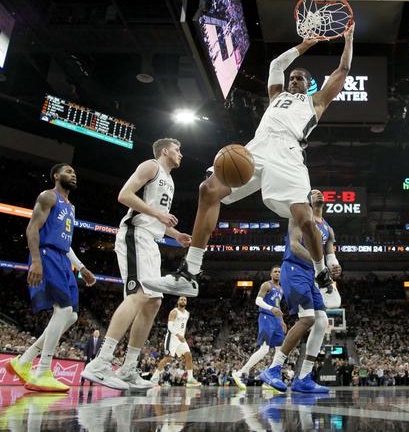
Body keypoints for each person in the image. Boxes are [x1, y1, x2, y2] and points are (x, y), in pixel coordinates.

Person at [140, 25, 355, 299]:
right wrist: (305, 44)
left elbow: (342, 71)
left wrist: (348, 39)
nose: (293, 80)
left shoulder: (316, 102)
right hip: (258, 147)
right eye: (292, 78)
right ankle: (190, 273)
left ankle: (321, 274)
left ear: (308, 84)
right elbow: (277, 64)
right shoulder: (277, 96)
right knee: (208, 190)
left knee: (304, 219)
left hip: (288, 152)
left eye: (299, 78)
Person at [82, 138, 191, 390]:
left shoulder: (170, 180)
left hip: (151, 240)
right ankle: (100, 362)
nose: (181, 154)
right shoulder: (151, 166)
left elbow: (157, 217)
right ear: (165, 150)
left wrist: (176, 235)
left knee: (153, 302)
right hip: (135, 235)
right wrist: (157, 215)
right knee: (139, 295)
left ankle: (128, 368)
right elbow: (124, 195)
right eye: (178, 149)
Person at [6, 163, 96, 392]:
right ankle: (43, 370)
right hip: (46, 255)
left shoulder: (71, 207)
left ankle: (23, 361)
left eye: (75, 172)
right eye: (68, 171)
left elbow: (66, 244)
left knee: (72, 316)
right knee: (63, 310)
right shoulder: (48, 196)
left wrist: (82, 267)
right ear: (56, 176)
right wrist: (36, 260)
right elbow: (32, 228)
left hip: (63, 260)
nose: (73, 174)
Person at [259, 190, 342, 393]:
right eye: (313, 192)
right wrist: (319, 265)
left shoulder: (328, 229)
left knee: (322, 322)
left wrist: (335, 267)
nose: (317, 193)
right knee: (307, 319)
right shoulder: (298, 215)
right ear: (308, 199)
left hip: (312, 275)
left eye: (320, 192)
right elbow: (295, 246)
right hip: (294, 269)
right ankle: (273, 369)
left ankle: (303, 377)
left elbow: (330, 257)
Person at [231, 266, 288, 390]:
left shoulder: (282, 289)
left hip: (276, 320)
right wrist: (270, 309)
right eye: (275, 271)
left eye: (279, 272)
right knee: (264, 349)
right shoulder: (267, 285)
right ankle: (240, 373)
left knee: (280, 350)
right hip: (266, 317)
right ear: (271, 274)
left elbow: (278, 307)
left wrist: (282, 321)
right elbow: (258, 301)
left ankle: (270, 380)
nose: (277, 273)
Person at [150, 297, 201, 387]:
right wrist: (178, 335)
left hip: (181, 339)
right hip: (172, 338)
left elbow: (183, 326)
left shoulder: (187, 313)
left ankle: (190, 379)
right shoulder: (174, 312)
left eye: (185, 300)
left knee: (188, 355)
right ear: (178, 301)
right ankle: (154, 377)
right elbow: (170, 326)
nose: (183, 301)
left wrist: (182, 336)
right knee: (168, 358)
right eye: (181, 299)